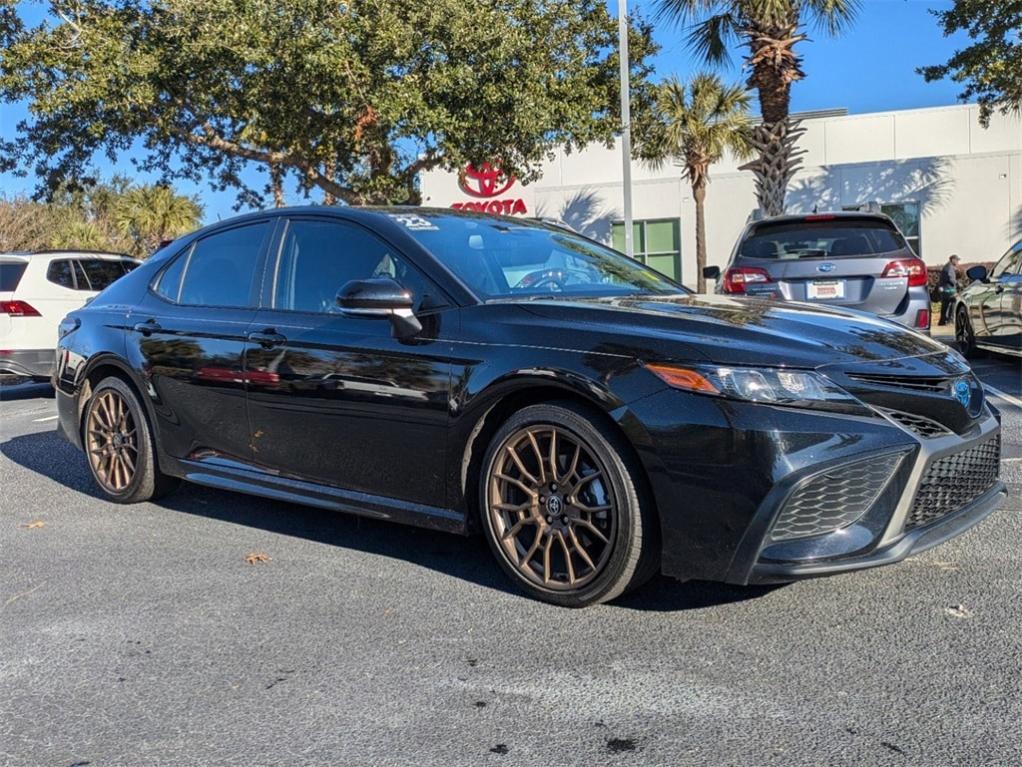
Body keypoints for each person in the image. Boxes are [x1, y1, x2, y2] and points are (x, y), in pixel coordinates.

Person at [938, 254, 961, 326]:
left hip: (944, 289)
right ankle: (950, 320)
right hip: (949, 289)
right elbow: (951, 279)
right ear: (953, 260)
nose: (958, 262)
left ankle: (942, 321)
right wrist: (958, 284)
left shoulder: (946, 266)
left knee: (945, 305)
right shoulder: (950, 267)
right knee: (954, 301)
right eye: (957, 260)